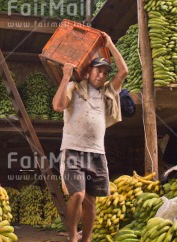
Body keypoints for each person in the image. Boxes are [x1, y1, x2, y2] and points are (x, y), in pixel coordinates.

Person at [52, 32, 129, 242]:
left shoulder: (107, 92)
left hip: (96, 152)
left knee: (91, 201)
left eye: (105, 72)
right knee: (77, 195)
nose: (102, 75)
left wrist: (110, 43)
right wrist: (66, 77)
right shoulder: (74, 88)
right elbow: (58, 106)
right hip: (73, 151)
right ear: (88, 71)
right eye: (98, 70)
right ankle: (72, 237)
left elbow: (124, 71)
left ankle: (85, 239)